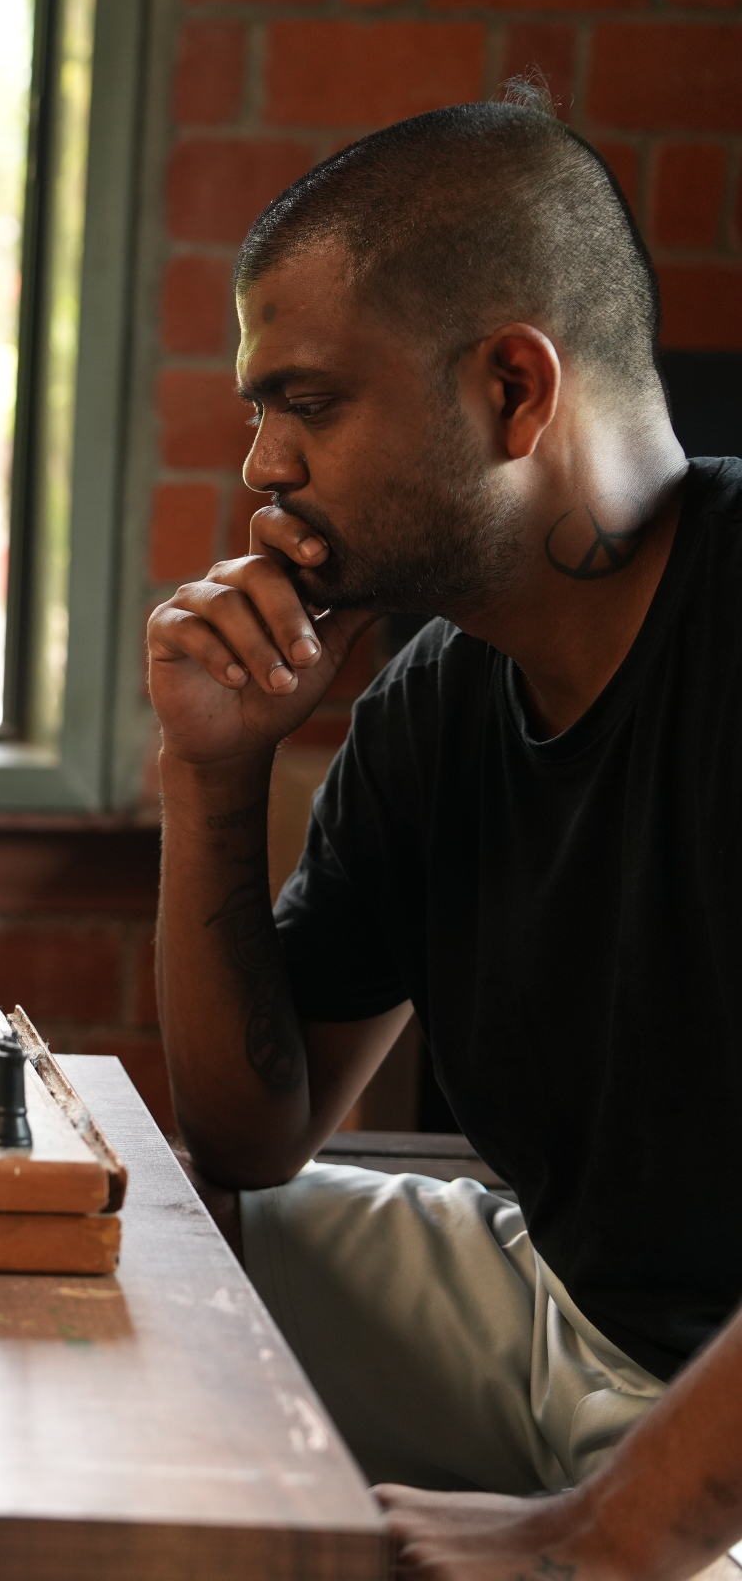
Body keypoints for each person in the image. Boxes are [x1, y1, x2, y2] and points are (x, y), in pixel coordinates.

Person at [149, 91, 742, 1580]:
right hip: (562, 1313)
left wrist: (598, 1537)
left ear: (513, 391)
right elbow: (252, 1137)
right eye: (260, 412)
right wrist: (214, 774)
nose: (261, 467)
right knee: (158, 1246)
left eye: (308, 402)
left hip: (713, 1432)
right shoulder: (439, 695)